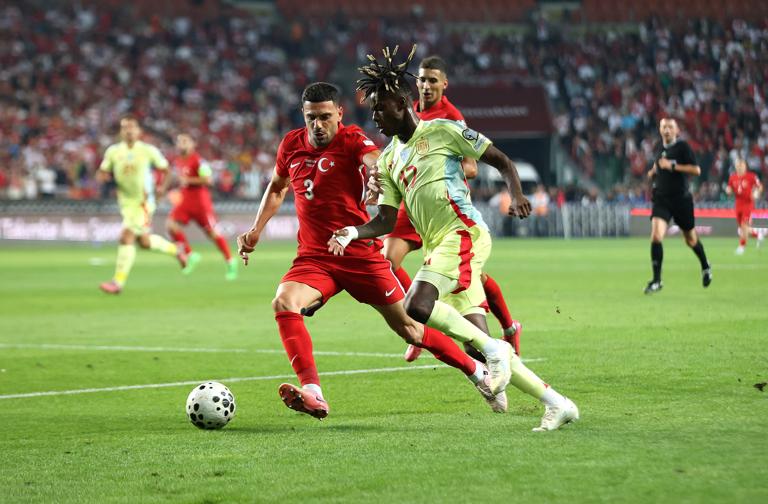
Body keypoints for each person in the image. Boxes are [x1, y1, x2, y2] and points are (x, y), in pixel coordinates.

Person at [331, 47, 578, 431]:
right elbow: (386, 220)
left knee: (417, 305)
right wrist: (353, 231)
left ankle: (497, 349)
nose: (374, 117)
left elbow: (500, 160)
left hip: (463, 233)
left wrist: (516, 194)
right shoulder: (389, 158)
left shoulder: (443, 130)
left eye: (379, 108)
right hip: (439, 245)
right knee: (476, 345)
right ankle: (557, 403)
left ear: (401, 103)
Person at [237, 82, 509, 420]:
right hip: (314, 257)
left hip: (359, 254)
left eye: (325, 117)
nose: (318, 125)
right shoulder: (291, 144)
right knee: (284, 302)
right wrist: (256, 229)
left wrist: (376, 177)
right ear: (303, 116)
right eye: (311, 118)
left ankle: (476, 371)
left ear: (339, 113)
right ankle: (313, 392)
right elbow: (277, 188)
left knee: (410, 329)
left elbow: (375, 161)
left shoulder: (351, 139)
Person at [389, 56, 523, 364]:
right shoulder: (410, 112)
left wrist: (434, 169)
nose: (426, 85)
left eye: (432, 80)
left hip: (445, 205)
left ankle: (508, 327)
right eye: (422, 80)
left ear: (444, 84)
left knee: (472, 275)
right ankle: (420, 322)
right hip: (414, 204)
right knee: (388, 262)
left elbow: (471, 167)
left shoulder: (451, 117)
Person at [98, 116, 188, 294]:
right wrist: (104, 178)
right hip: (126, 203)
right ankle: (176, 250)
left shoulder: (147, 150)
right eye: (125, 127)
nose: (129, 131)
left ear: (139, 131)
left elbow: (167, 170)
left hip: (143, 202)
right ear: (121, 132)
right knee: (144, 242)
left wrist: (162, 188)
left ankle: (117, 283)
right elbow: (102, 172)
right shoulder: (113, 151)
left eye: (132, 127)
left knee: (126, 236)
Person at [645, 118, 712, 294]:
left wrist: (673, 166)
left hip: (681, 200)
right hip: (661, 199)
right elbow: (658, 165)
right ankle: (657, 280)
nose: (667, 129)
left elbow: (696, 170)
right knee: (656, 236)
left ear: (677, 131)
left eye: (670, 127)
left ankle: (705, 265)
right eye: (664, 127)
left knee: (690, 240)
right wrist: (653, 172)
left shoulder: (683, 147)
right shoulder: (659, 147)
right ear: (660, 129)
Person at [166, 133, 238, 280]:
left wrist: (189, 180)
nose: (181, 144)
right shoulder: (178, 161)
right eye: (179, 141)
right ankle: (190, 254)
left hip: (200, 202)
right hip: (185, 200)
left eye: (185, 141)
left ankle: (230, 261)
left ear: (193, 144)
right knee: (170, 225)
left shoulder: (199, 161)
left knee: (212, 233)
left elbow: (208, 180)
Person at [726, 158, 764, 255]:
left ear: (745, 166)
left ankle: (742, 247)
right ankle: (758, 235)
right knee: (741, 228)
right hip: (738, 204)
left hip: (748, 204)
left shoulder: (751, 176)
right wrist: (728, 190)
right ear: (735, 167)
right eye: (738, 166)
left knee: (744, 225)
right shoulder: (732, 177)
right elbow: (729, 188)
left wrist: (756, 193)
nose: (740, 167)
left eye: (741, 165)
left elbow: (760, 186)